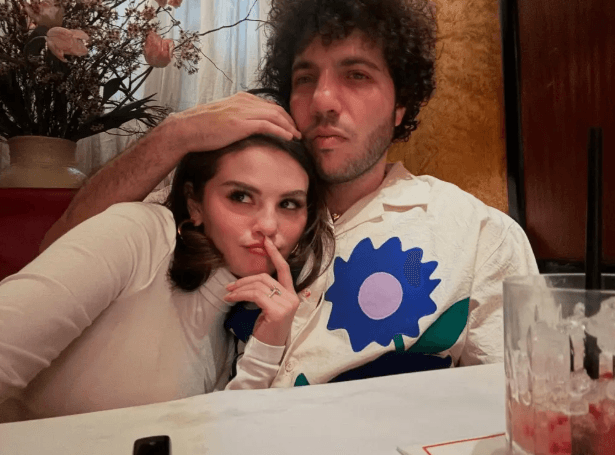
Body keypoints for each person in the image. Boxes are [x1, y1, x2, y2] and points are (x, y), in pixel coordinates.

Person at [41, 0, 539, 388]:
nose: (322, 100)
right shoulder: (222, 200)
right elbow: (60, 251)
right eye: (305, 78)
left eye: (357, 75)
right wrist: (174, 135)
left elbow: (521, 403)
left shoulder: (479, 235)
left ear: (400, 105)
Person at [0, 134, 334, 422]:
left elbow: (221, 435)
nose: (269, 225)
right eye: (241, 197)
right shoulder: (139, 235)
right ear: (195, 204)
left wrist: (266, 349)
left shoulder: (243, 315)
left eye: (289, 203)